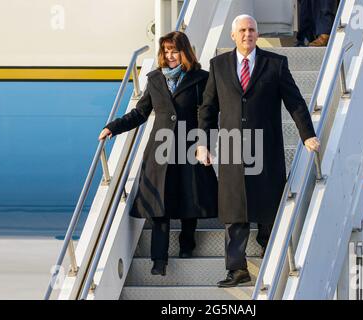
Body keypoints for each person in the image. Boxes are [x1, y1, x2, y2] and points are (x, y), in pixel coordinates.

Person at [196, 15, 320, 287]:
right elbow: (207, 108)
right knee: (233, 209)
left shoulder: (275, 64)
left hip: (266, 145)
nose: (247, 34)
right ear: (233, 35)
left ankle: (270, 251)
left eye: (252, 30)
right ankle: (237, 269)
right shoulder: (218, 65)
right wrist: (202, 143)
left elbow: (295, 102)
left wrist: (307, 135)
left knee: (267, 202)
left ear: (257, 33)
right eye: (242, 30)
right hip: (230, 146)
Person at [99, 31, 218, 276]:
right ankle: (158, 259)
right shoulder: (155, 79)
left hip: (189, 144)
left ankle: (187, 246)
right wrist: (114, 126)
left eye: (175, 50)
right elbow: (140, 113)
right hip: (160, 149)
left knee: (190, 197)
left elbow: (208, 112)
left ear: (185, 51)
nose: (170, 55)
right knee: (158, 203)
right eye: (166, 51)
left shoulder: (201, 78)